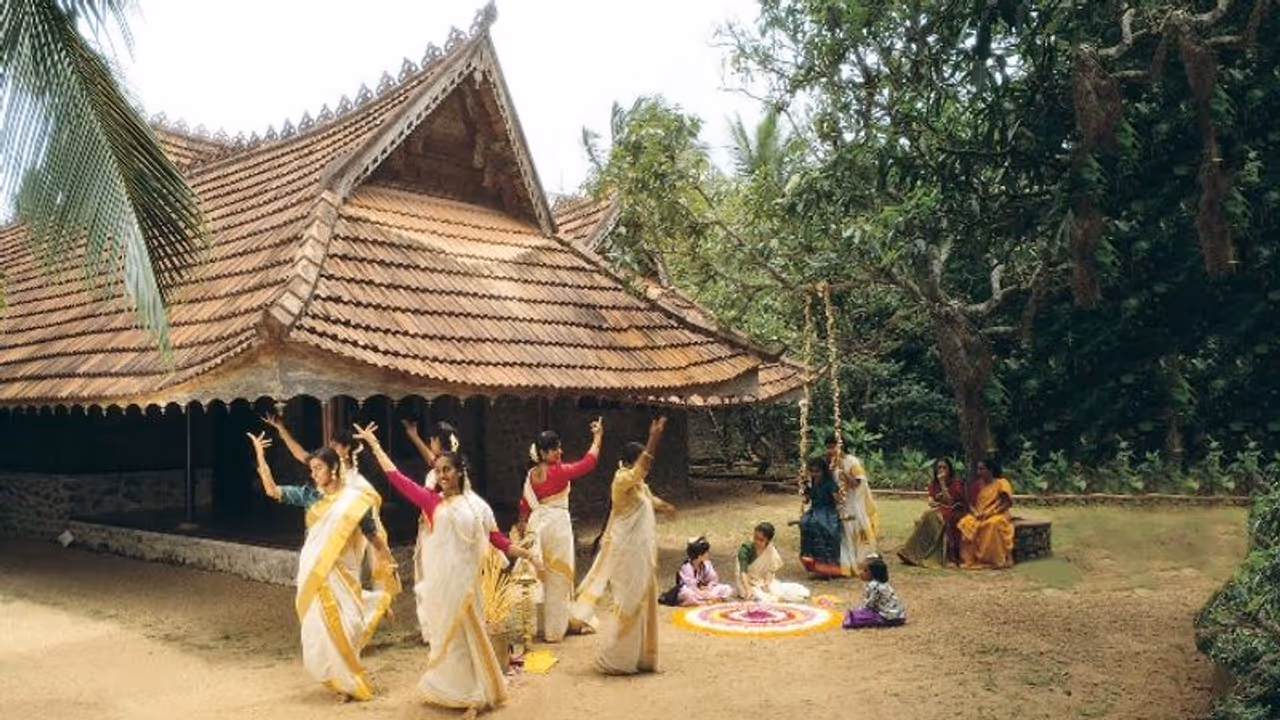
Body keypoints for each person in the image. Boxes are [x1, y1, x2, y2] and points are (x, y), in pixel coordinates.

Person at [354, 422, 536, 718]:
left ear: (460, 471)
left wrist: (522, 551)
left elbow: (496, 538)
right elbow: (397, 479)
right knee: (448, 640)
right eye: (438, 472)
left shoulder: (476, 506)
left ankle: (477, 696)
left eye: (447, 470)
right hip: (443, 585)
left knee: (469, 638)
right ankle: (456, 690)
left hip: (468, 585)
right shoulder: (432, 502)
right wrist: (375, 446)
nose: (442, 476)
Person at [246, 432, 395, 702]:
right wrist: (260, 454)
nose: (313, 474)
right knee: (321, 626)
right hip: (316, 570)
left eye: (318, 468)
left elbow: (372, 534)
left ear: (333, 468)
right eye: (311, 469)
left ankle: (349, 674)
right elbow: (273, 491)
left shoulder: (355, 500)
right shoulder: (310, 495)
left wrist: (388, 559)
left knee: (349, 624)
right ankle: (343, 683)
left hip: (344, 572)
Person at [262, 412, 400, 626]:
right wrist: (281, 430)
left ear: (346, 449)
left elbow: (369, 516)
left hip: (352, 537)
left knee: (347, 586)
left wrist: (384, 553)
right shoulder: (322, 466)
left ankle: (370, 610)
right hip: (323, 538)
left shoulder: (356, 481)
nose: (331, 448)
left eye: (336, 445)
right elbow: (300, 455)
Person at [570, 417, 675, 674]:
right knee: (629, 603)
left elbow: (652, 499)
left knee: (645, 601)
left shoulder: (639, 485)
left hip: (642, 554)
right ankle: (617, 659)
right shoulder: (621, 481)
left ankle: (643, 659)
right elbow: (644, 467)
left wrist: (667, 507)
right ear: (631, 461)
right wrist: (654, 438)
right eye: (640, 459)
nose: (644, 463)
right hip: (628, 556)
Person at [401, 419, 503, 644]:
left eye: (432, 440)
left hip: (437, 529)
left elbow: (429, 495)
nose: (431, 444)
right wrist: (413, 435)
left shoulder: (439, 474)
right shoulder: (448, 469)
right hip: (441, 526)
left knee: (433, 577)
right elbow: (431, 458)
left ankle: (435, 628)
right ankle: (442, 626)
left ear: (438, 441)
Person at [518, 418, 604, 642]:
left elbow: (523, 507)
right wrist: (597, 437)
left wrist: (525, 531)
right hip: (557, 527)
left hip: (537, 528)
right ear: (544, 452)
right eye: (555, 448)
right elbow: (589, 462)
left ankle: (537, 628)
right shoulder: (559, 472)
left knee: (540, 575)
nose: (560, 451)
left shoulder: (531, 476)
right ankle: (554, 631)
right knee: (558, 578)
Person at [898, 458, 968, 568]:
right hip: (940, 509)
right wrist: (934, 501)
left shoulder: (956, 483)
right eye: (939, 467)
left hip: (955, 511)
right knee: (927, 515)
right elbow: (931, 500)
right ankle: (911, 552)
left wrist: (943, 484)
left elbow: (950, 501)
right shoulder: (933, 483)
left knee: (932, 516)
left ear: (950, 469)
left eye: (944, 467)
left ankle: (949, 556)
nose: (942, 470)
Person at [829, 437, 880, 574]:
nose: (830, 450)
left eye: (833, 446)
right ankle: (846, 563)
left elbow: (857, 483)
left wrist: (843, 472)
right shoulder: (832, 463)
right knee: (843, 534)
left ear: (841, 446)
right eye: (828, 447)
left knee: (855, 530)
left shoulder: (852, 461)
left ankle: (862, 562)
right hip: (840, 503)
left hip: (853, 503)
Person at [958, 458, 1016, 569]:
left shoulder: (1002, 483)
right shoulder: (978, 485)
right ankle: (972, 559)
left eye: (982, 469)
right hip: (980, 515)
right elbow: (971, 503)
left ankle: (994, 559)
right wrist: (976, 513)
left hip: (998, 514)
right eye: (978, 469)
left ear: (990, 470)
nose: (979, 472)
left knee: (992, 524)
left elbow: (1006, 503)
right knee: (966, 523)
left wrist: (991, 512)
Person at [735, 521, 810, 603]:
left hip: (762, 581)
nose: (757, 542)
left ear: (768, 541)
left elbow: (770, 569)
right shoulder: (745, 550)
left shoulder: (770, 549)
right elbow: (742, 572)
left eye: (761, 540)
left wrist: (767, 583)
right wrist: (748, 589)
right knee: (759, 598)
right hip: (746, 582)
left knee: (780, 591)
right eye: (755, 538)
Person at [798, 457, 845, 577]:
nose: (815, 474)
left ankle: (827, 565)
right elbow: (807, 500)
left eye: (817, 471)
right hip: (815, 510)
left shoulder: (830, 483)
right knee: (804, 523)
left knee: (818, 525)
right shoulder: (811, 482)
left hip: (828, 511)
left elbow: (838, 500)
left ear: (823, 471)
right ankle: (812, 562)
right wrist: (804, 491)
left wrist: (839, 497)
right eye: (812, 471)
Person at [660, 536, 734, 606]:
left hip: (704, 590)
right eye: (706, 553)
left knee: (726, 588)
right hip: (692, 592)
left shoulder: (706, 564)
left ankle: (705, 600)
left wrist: (708, 587)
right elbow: (690, 587)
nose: (708, 554)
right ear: (699, 556)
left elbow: (713, 579)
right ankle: (699, 601)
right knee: (687, 593)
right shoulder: (686, 567)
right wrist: (703, 593)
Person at [842, 554, 906, 628]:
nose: (861, 572)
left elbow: (870, 605)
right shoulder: (881, 584)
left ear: (874, 573)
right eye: (861, 569)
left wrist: (860, 611)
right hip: (899, 616)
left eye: (865, 570)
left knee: (857, 615)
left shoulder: (874, 585)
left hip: (888, 617)